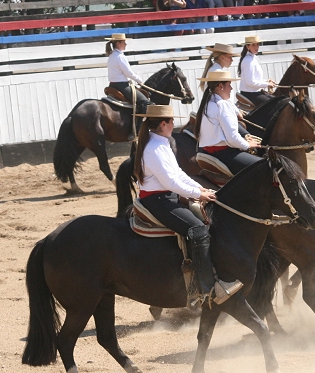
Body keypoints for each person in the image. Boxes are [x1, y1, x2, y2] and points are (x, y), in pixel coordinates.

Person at [134, 105, 243, 305]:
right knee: (198, 230)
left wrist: (201, 190)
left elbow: (179, 174)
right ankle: (207, 289)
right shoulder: (154, 148)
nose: (174, 124)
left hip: (166, 196)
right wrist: (197, 194)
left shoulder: (160, 143)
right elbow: (170, 183)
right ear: (163, 124)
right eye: (172, 121)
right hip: (157, 200)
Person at [195, 70, 261, 175]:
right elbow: (232, 138)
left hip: (207, 151)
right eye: (229, 85)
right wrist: (247, 144)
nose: (231, 88)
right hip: (224, 153)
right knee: (264, 166)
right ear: (221, 86)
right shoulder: (222, 105)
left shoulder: (208, 103)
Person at [105, 33, 152, 117]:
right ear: (118, 44)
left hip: (113, 85)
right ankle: (139, 126)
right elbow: (128, 73)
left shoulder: (112, 55)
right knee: (145, 102)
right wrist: (139, 80)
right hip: (122, 86)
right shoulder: (120, 56)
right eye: (124, 42)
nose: (126, 44)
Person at [237, 35, 276, 107]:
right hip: (250, 94)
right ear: (247, 46)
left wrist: (266, 82)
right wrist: (267, 84)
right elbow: (250, 82)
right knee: (274, 104)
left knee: (276, 100)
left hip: (254, 92)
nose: (256, 47)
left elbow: (255, 79)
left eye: (257, 44)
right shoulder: (248, 61)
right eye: (253, 45)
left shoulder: (252, 59)